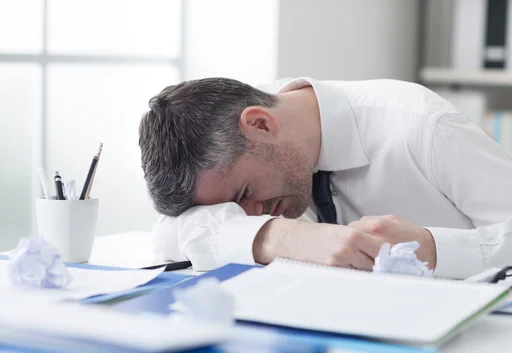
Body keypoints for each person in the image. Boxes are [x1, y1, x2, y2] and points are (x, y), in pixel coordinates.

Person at [138, 77, 512, 278]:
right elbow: (169, 231)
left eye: (244, 192)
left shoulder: (423, 127)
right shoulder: (237, 122)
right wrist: (278, 235)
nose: (249, 214)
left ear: (260, 124)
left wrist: (433, 250)